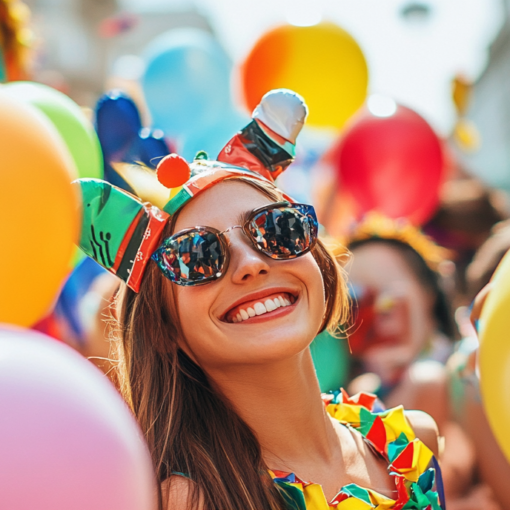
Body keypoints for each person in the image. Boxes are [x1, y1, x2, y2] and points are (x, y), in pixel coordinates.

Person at [74, 90, 444, 510]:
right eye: (198, 256)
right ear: (165, 328)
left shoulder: (412, 445)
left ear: (318, 261)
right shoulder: (191, 501)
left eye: (277, 228)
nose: (251, 263)